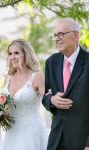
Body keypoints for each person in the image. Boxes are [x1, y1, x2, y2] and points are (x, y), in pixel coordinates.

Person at [42, 18, 89, 150]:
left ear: (75, 35)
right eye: (55, 35)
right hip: (56, 139)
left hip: (81, 141)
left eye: (61, 34)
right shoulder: (51, 62)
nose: (57, 38)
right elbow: (44, 94)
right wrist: (51, 100)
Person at [2, 39, 48, 150]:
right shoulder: (7, 78)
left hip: (32, 132)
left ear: (25, 54)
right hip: (11, 132)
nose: (12, 57)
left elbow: (48, 101)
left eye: (16, 53)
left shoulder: (37, 77)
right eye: (10, 53)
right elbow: (6, 108)